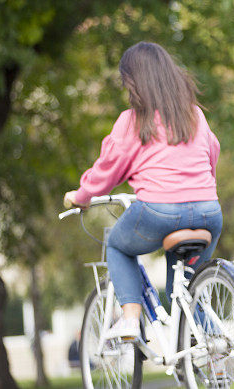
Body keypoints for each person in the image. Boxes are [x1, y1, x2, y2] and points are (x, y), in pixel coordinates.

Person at [64, 41, 222, 340]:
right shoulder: (194, 115)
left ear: (134, 82)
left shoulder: (133, 121)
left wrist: (81, 197)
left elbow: (108, 169)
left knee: (118, 246)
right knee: (190, 290)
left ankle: (130, 319)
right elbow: (212, 154)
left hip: (159, 211)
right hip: (208, 211)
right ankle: (211, 353)